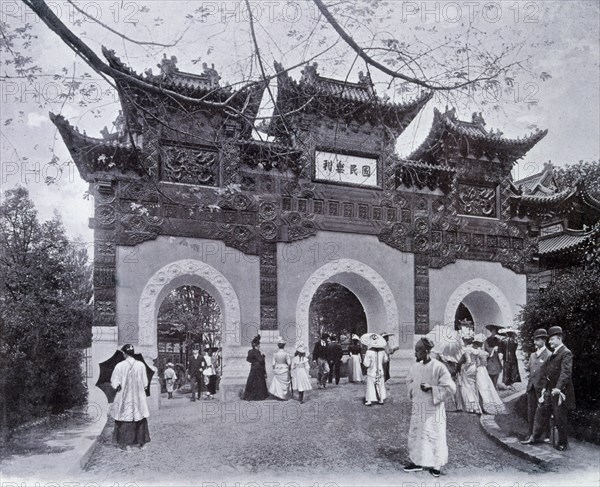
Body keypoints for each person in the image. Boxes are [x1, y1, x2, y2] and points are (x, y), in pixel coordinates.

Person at [403, 337, 456, 478]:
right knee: (418, 433)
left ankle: (436, 464)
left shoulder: (438, 367)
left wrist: (432, 388)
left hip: (433, 408)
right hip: (419, 406)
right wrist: (414, 390)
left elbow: (450, 387)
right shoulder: (416, 367)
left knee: (434, 433)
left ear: (427, 351)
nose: (416, 353)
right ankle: (417, 461)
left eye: (418, 350)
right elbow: (408, 380)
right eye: (415, 350)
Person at [522, 326, 575, 451]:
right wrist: (545, 389)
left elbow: (566, 373)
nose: (549, 342)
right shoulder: (554, 353)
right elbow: (548, 374)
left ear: (559, 338)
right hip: (550, 389)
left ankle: (562, 443)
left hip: (560, 391)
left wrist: (558, 388)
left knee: (559, 417)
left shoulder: (565, 352)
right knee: (540, 410)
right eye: (549, 340)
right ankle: (534, 436)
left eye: (552, 340)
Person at [110, 344, 150, 451]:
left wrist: (117, 385)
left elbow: (114, 383)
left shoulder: (119, 366)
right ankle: (142, 443)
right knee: (139, 415)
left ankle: (127, 444)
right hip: (138, 396)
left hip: (124, 396)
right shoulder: (141, 365)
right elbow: (145, 383)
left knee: (125, 416)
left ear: (124, 353)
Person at [525, 328, 551, 441]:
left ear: (543, 340)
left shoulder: (549, 355)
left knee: (543, 411)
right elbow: (529, 368)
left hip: (542, 388)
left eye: (537, 340)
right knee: (531, 411)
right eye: (535, 340)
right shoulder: (532, 355)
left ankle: (545, 435)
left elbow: (550, 374)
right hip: (531, 387)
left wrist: (546, 388)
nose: (535, 343)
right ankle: (531, 433)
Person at [472, 334, 506, 415]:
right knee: (482, 387)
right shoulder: (479, 351)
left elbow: (482, 362)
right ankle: (480, 405)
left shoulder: (478, 351)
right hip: (480, 370)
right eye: (481, 342)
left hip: (480, 370)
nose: (481, 344)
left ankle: (485, 406)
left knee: (483, 387)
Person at [362, 333, 388, 405]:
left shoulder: (369, 351)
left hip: (371, 371)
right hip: (380, 370)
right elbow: (386, 360)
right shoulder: (382, 351)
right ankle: (381, 399)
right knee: (380, 384)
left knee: (370, 385)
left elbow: (366, 364)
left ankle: (370, 400)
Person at [456, 336, 481, 414]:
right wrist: (475, 367)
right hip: (474, 368)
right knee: (473, 387)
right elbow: (478, 363)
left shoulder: (466, 350)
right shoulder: (476, 350)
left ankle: (469, 407)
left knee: (466, 387)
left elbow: (468, 361)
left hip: (468, 369)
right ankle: (475, 406)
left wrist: (464, 368)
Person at [243, 335, 269, 401]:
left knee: (251, 381)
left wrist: (253, 362)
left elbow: (248, 359)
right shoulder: (257, 352)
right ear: (256, 345)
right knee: (259, 381)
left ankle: (249, 395)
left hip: (253, 368)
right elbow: (261, 360)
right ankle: (259, 396)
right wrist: (263, 357)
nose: (259, 346)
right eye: (258, 345)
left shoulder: (250, 351)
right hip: (258, 368)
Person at [484, 324, 504, 388]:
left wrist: (498, 349)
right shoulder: (487, 340)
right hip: (490, 357)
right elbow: (486, 348)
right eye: (493, 331)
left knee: (497, 370)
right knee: (490, 371)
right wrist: (492, 349)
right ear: (491, 331)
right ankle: (491, 386)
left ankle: (494, 386)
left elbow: (501, 349)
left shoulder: (498, 340)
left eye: (495, 331)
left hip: (496, 357)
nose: (494, 332)